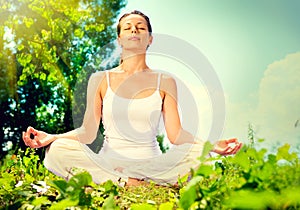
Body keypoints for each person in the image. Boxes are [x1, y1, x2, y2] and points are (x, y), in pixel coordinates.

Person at [22, 10, 242, 186]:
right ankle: (132, 183)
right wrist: (52, 136)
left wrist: (211, 145)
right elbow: (88, 132)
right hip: (110, 163)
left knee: (199, 157)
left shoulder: (165, 81)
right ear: (120, 39)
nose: (134, 30)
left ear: (150, 39)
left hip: (152, 164)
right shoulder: (100, 79)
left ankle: (126, 181)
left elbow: (176, 135)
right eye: (127, 28)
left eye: (141, 27)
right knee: (57, 150)